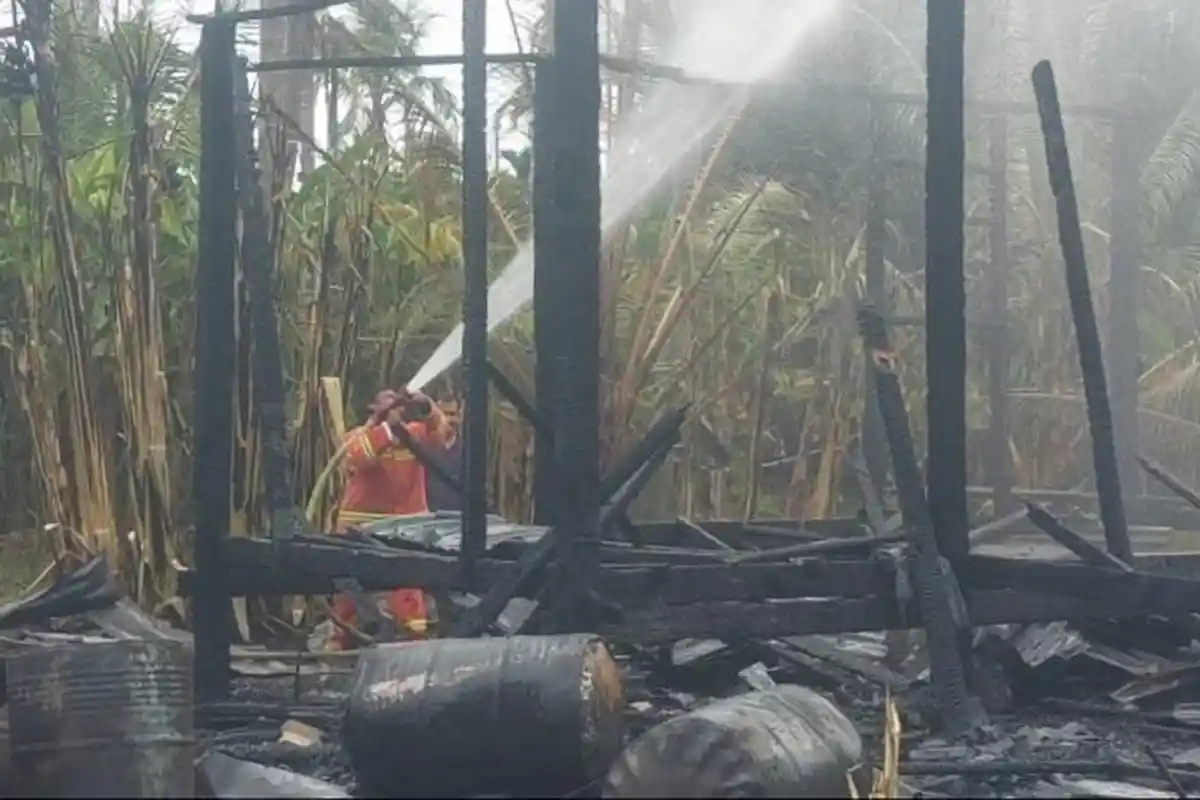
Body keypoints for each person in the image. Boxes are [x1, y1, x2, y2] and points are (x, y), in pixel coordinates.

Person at [329, 387, 454, 650]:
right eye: (388, 403)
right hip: (360, 525)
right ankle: (342, 639)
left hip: (405, 526)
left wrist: (428, 406)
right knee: (351, 586)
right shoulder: (358, 436)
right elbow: (359, 457)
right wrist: (387, 430)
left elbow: (442, 435)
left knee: (408, 583)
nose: (395, 407)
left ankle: (412, 640)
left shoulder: (416, 435)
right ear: (375, 410)